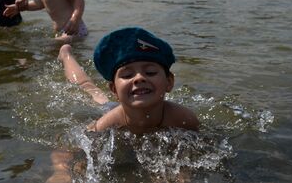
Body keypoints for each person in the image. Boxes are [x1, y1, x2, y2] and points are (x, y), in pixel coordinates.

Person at [48, 27, 199, 182]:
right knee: (89, 89)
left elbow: (195, 153)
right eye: (127, 75)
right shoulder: (107, 124)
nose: (139, 78)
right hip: (111, 109)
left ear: (169, 82)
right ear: (114, 89)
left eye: (150, 72)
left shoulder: (183, 119)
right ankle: (66, 55)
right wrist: (61, 171)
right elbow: (69, 145)